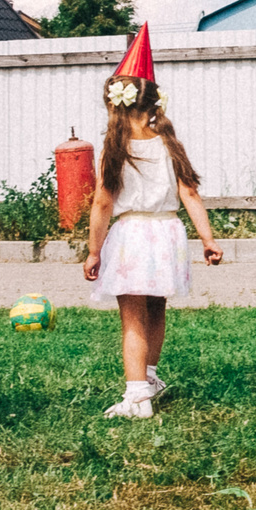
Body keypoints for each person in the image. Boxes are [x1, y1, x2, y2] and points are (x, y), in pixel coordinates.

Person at [82, 26, 225, 417]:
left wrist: (94, 251)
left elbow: (102, 204)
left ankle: (137, 397)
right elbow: (190, 194)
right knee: (156, 309)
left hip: (133, 236)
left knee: (132, 318)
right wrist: (207, 239)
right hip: (167, 233)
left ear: (117, 105)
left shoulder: (115, 149)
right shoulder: (169, 143)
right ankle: (150, 377)